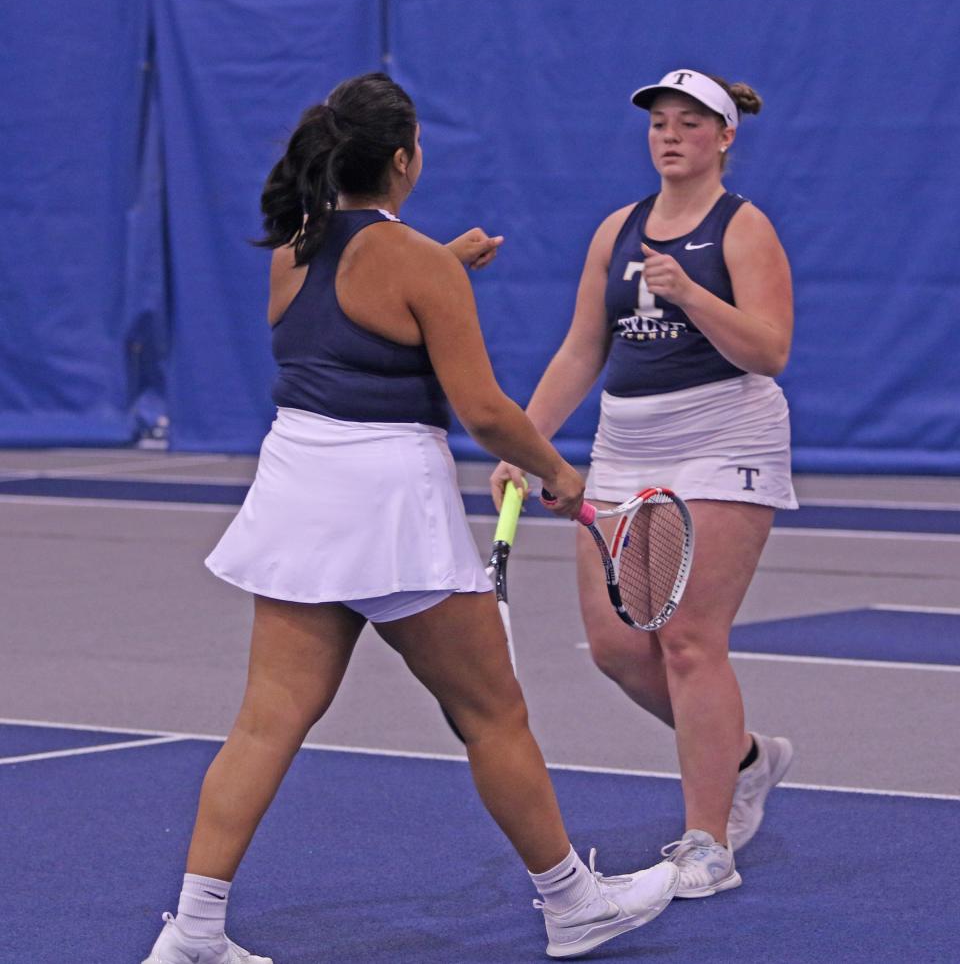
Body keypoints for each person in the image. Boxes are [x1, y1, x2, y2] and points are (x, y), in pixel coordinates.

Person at [142, 72, 679, 964]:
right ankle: (573, 905)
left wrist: (440, 265)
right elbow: (487, 411)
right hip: (385, 504)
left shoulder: (296, 246)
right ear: (403, 159)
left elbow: (356, 309)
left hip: (297, 490)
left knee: (266, 719)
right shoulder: (418, 266)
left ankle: (193, 931)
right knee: (493, 712)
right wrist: (559, 473)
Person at [492, 68, 797, 899]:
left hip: (724, 433)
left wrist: (690, 293)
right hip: (628, 440)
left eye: (690, 124)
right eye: (659, 122)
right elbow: (581, 350)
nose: (669, 135)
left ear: (724, 138)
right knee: (621, 649)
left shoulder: (744, 228)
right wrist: (525, 439)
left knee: (691, 638)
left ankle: (708, 840)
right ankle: (741, 757)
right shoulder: (617, 230)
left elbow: (769, 351)